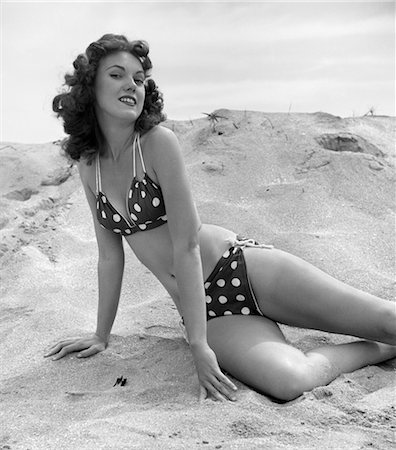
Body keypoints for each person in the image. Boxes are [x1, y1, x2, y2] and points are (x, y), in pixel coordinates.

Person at [45, 34, 396, 402]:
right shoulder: (89, 167)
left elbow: (188, 245)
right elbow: (108, 257)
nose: (132, 85)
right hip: (207, 311)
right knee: (289, 381)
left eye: (138, 78)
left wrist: (198, 344)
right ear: (89, 87)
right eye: (117, 75)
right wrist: (102, 334)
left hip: (242, 269)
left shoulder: (157, 143)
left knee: (388, 321)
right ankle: (384, 349)